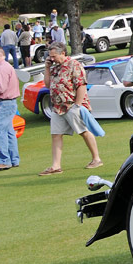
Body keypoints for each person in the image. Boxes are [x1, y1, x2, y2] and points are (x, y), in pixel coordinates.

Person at [40, 41, 102, 175]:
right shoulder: (55, 67)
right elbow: (47, 84)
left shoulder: (74, 65)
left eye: (54, 56)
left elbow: (81, 85)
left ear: (63, 53)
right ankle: (56, 166)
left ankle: (96, 158)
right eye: (50, 56)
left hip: (72, 104)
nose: (51, 59)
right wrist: (46, 68)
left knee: (83, 131)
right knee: (56, 134)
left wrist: (78, 105)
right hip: (58, 106)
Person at [0, 46, 21, 171]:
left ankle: (3, 161)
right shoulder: (5, 67)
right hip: (8, 103)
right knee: (8, 132)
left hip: (0, 104)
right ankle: (13, 159)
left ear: (1, 55)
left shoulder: (1, 69)